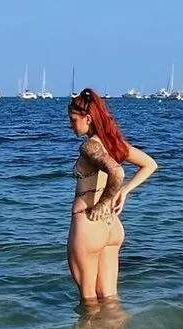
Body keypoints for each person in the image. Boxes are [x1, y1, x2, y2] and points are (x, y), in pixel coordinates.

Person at [67, 88, 158, 302]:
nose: (70, 125)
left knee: (89, 302)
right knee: (110, 300)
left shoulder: (90, 146)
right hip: (111, 226)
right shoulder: (113, 144)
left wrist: (103, 202)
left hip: (88, 224)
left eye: (73, 119)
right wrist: (123, 191)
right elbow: (150, 164)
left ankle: (88, 328)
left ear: (88, 118)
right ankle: (119, 327)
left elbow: (117, 172)